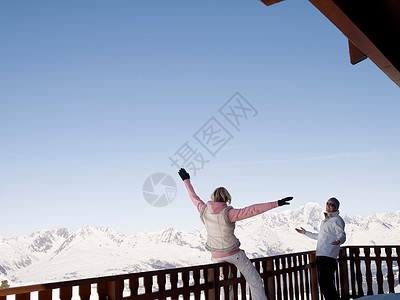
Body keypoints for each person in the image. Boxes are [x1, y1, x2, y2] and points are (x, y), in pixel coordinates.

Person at [178, 168, 293, 300]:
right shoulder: (228, 213)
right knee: (255, 281)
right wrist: (276, 203)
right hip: (234, 254)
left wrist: (186, 180)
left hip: (216, 257)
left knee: (227, 286)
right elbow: (252, 210)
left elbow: (194, 197)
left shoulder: (204, 210)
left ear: (213, 197)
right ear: (226, 198)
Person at [295, 197, 346, 300]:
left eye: (331, 204)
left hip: (328, 256)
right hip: (321, 255)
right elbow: (319, 237)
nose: (328, 205)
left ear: (336, 208)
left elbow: (342, 234)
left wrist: (339, 240)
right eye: (327, 203)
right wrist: (305, 233)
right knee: (324, 285)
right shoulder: (324, 221)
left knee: (326, 286)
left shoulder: (337, 220)